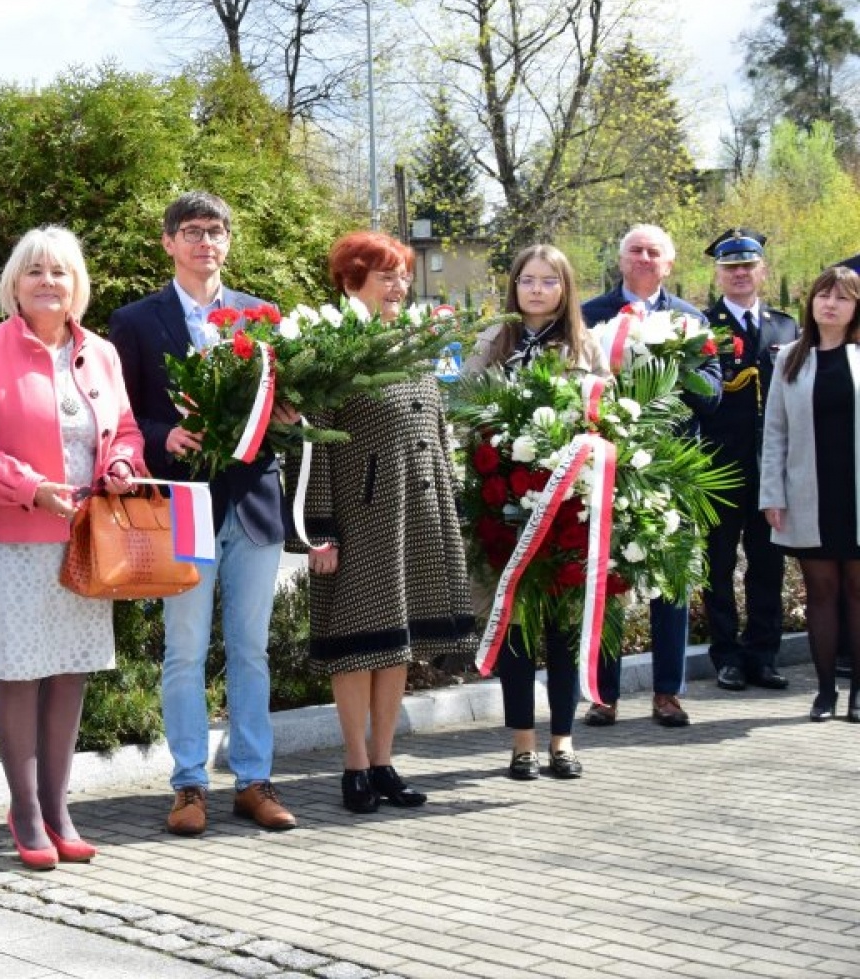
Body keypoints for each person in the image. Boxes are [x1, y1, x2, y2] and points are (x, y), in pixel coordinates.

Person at [0, 226, 144, 868]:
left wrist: (120, 464)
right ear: (14, 284)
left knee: (70, 671)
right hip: (11, 541)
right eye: (34, 272)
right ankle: (25, 808)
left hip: (87, 540)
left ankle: (59, 807)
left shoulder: (102, 355)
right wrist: (31, 490)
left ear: (77, 284)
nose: (48, 282)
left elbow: (129, 430)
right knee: (22, 673)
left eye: (60, 272)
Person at [109, 191, 296, 835]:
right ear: (168, 243)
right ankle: (189, 785)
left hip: (253, 503)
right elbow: (125, 412)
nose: (204, 242)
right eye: (191, 231)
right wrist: (164, 436)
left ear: (228, 241)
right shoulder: (134, 321)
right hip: (182, 503)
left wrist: (290, 416)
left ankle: (254, 780)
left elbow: (282, 403)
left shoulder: (260, 316)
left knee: (251, 650)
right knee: (184, 652)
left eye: (215, 231)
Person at [293, 230, 476, 813]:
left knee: (396, 646)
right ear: (352, 279)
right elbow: (313, 445)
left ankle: (384, 762)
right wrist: (319, 529)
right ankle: (352, 766)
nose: (399, 286)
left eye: (402, 274)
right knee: (357, 647)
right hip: (359, 518)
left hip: (415, 515)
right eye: (385, 275)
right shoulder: (332, 346)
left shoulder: (415, 343)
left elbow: (438, 431)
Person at [463, 245, 608, 781]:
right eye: (528, 279)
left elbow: (606, 417)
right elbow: (468, 409)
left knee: (564, 631)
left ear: (566, 289)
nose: (538, 289)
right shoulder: (494, 340)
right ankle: (522, 743)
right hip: (507, 506)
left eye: (550, 281)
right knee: (518, 629)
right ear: (514, 286)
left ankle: (562, 742)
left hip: (570, 507)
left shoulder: (584, 345)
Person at [580, 224, 721, 728]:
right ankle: (603, 693)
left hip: (673, 468)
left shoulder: (691, 320)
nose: (644, 257)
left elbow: (712, 394)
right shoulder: (589, 315)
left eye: (653, 251)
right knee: (606, 579)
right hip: (608, 467)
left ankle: (668, 693)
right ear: (621, 261)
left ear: (669, 263)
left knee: (672, 580)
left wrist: (667, 359)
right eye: (635, 250)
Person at [699, 229, 797, 693]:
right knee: (718, 566)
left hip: (772, 470)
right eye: (730, 266)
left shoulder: (786, 327)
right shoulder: (700, 327)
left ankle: (764, 654)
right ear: (718, 273)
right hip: (719, 468)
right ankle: (727, 658)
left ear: (763, 271)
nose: (740, 273)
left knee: (768, 565)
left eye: (747, 265)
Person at [760, 265, 860, 722]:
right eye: (823, 295)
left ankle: (858, 692)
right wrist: (772, 495)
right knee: (821, 593)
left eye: (841, 297)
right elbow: (774, 432)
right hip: (808, 494)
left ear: (855, 306)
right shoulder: (791, 358)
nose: (830, 304)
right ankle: (825, 693)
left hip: (855, 496)